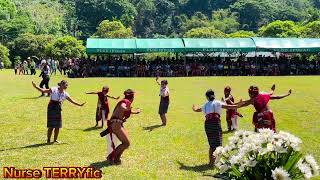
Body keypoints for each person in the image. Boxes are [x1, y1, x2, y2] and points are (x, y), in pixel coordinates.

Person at [192, 89, 242, 166]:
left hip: (207, 124)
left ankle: (211, 162)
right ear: (214, 95)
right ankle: (218, 162)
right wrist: (238, 105)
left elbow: (197, 109)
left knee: (212, 144)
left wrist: (194, 108)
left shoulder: (205, 105)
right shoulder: (218, 102)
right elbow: (228, 106)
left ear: (207, 97)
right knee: (218, 144)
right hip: (215, 122)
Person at [100, 89, 141, 165]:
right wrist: (127, 108)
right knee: (126, 143)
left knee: (126, 143)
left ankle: (116, 158)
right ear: (132, 97)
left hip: (117, 124)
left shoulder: (125, 101)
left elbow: (125, 110)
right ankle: (111, 157)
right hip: (116, 124)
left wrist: (135, 112)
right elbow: (123, 107)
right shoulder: (125, 102)